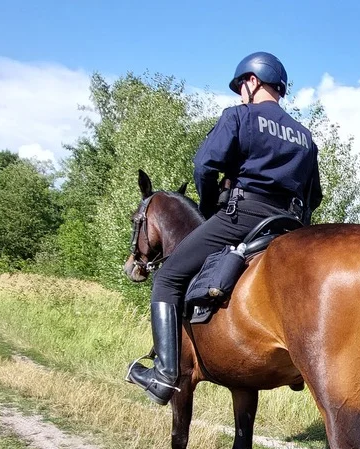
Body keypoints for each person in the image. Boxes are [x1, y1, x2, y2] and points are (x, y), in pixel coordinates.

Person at [127, 52, 323, 405]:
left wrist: (207, 209)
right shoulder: (306, 137)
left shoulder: (239, 116)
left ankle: (164, 376)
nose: (239, 94)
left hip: (242, 215)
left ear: (252, 81)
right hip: (287, 226)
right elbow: (315, 196)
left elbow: (204, 165)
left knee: (167, 278)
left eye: (240, 86)